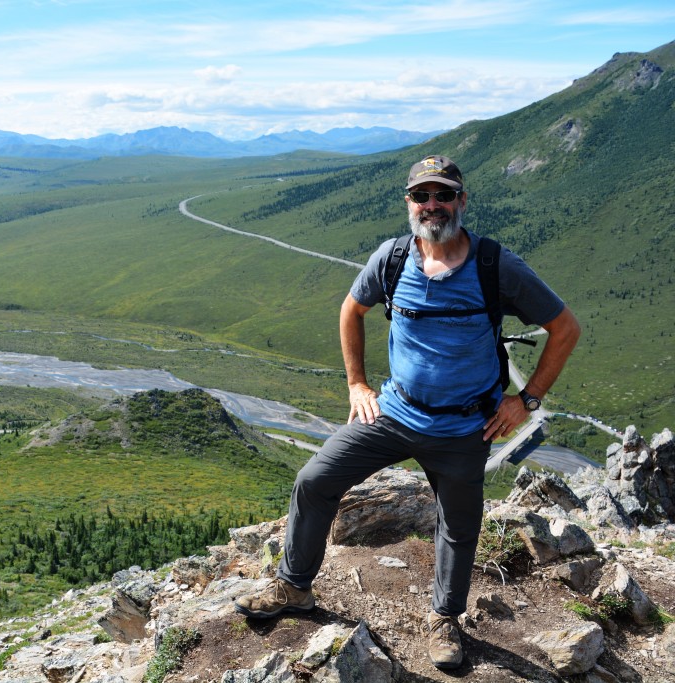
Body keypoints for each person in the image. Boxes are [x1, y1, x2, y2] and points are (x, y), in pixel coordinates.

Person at [233, 154, 581, 670]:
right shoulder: (393, 259)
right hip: (394, 413)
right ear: (409, 203)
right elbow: (352, 310)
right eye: (422, 196)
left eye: (443, 195)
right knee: (314, 480)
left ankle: (445, 618)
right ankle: (293, 586)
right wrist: (356, 384)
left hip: (466, 424)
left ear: (462, 201)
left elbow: (565, 328)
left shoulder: (495, 266)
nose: (433, 205)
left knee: (458, 525)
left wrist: (524, 401)